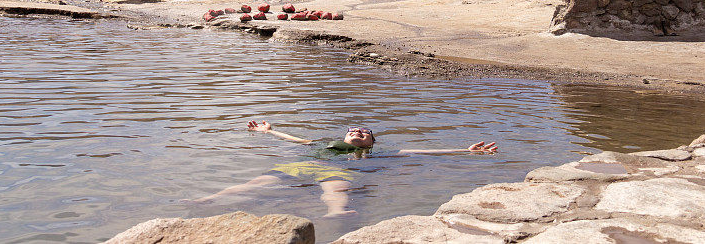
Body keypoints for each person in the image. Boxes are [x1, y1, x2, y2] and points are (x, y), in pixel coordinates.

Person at [191, 120, 497, 217]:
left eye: (365, 132)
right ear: (343, 136)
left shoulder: (377, 151)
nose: (358, 132)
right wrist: (268, 131)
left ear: (372, 142)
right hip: (305, 165)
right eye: (353, 130)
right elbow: (297, 140)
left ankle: (336, 212)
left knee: (336, 188)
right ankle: (209, 200)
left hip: (339, 171)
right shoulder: (322, 142)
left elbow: (418, 150)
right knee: (257, 183)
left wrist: (464, 150)